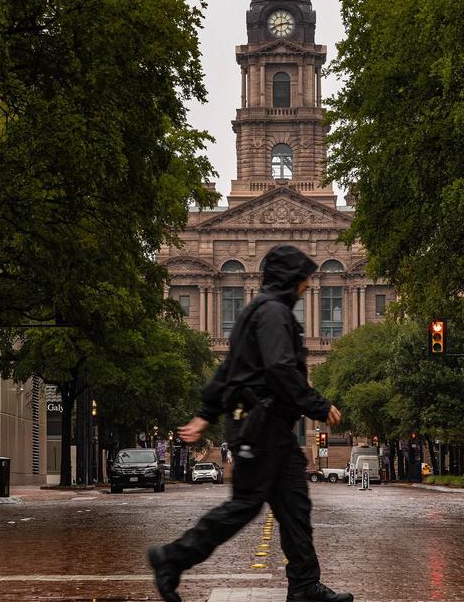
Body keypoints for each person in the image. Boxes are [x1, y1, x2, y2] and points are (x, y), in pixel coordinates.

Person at [148, 245, 354, 602]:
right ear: (290, 279)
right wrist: (317, 404)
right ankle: (172, 558)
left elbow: (227, 369)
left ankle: (305, 585)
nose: (308, 286)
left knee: (294, 507)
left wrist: (205, 414)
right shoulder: (273, 313)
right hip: (260, 428)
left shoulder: (255, 312)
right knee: (244, 506)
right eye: (304, 278)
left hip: (268, 428)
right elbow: (278, 369)